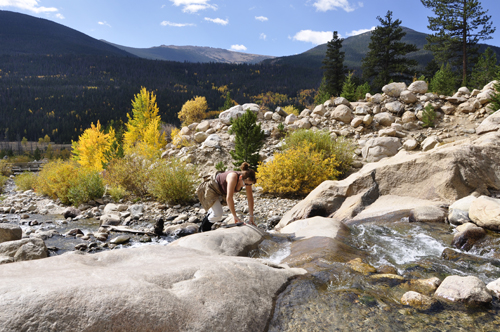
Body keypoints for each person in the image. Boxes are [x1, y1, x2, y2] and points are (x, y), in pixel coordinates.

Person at [196, 162, 256, 232]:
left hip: (221, 191)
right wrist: (235, 216)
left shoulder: (247, 181)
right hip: (211, 187)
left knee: (214, 212)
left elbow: (250, 199)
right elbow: (229, 198)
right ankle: (203, 230)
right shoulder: (233, 177)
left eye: (249, 184)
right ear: (240, 177)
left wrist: (251, 217)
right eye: (245, 184)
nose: (246, 186)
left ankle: (202, 228)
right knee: (218, 214)